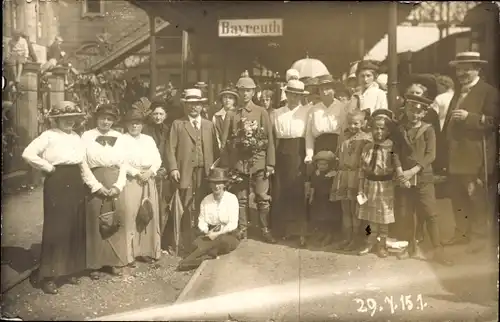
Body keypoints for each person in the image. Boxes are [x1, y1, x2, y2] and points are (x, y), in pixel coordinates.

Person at [22, 101, 87, 294]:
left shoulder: (76, 136)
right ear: (56, 120)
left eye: (72, 118)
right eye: (64, 119)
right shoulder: (48, 135)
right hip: (57, 180)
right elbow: (28, 154)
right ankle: (48, 276)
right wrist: (48, 167)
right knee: (56, 226)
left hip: (75, 179)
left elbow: (82, 162)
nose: (69, 122)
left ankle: (69, 271)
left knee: (75, 224)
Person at [442, 52, 498, 250]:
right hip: (456, 156)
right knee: (458, 197)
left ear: (478, 69)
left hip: (475, 157)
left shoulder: (488, 91)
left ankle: (481, 239)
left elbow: (494, 122)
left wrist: (470, 117)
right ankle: (462, 233)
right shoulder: (458, 91)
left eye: (467, 68)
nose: (462, 72)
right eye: (459, 68)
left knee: (476, 198)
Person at [393, 94, 453, 265]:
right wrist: (400, 171)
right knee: (408, 213)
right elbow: (395, 152)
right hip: (405, 177)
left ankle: (438, 251)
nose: (414, 115)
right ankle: (412, 246)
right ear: (406, 110)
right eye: (411, 110)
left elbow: (430, 155)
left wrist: (413, 170)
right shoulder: (401, 129)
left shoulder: (428, 129)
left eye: (418, 112)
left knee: (430, 213)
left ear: (423, 114)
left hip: (423, 177)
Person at [220, 74, 276, 243]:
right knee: (241, 197)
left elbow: (270, 139)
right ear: (238, 92)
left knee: (262, 196)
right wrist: (228, 164)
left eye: (248, 91)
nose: (245, 94)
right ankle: (242, 228)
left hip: (259, 160)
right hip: (239, 162)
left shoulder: (261, 112)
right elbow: (224, 142)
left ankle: (265, 228)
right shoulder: (231, 114)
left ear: (253, 92)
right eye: (242, 90)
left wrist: (270, 163)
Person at [81, 104, 132, 279]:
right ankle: (94, 264)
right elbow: (83, 164)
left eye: (109, 119)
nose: (106, 121)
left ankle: (114, 262)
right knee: (95, 220)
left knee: (115, 220)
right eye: (103, 118)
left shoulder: (119, 137)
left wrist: (118, 185)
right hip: (95, 180)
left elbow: (124, 164)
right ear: (97, 118)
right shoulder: (87, 136)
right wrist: (95, 186)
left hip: (114, 180)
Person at [166, 88, 219, 252]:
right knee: (187, 204)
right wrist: (173, 168)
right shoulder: (178, 124)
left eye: (197, 104)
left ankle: (203, 237)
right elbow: (170, 148)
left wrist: (215, 165)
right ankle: (186, 239)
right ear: (185, 106)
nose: (193, 108)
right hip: (185, 170)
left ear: (202, 106)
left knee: (204, 201)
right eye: (190, 104)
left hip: (205, 171)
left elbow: (216, 150)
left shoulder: (209, 124)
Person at [270, 79, 311, 247]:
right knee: (281, 191)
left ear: (301, 96)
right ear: (286, 94)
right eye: (291, 94)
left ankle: (300, 231)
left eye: (297, 95)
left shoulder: (307, 112)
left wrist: (308, 155)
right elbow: (273, 137)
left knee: (298, 190)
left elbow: (308, 135)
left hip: (299, 151)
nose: (293, 98)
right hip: (282, 151)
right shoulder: (277, 113)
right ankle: (283, 230)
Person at [357, 109, 401, 258]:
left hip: (385, 185)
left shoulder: (391, 147)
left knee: (383, 218)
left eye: (383, 128)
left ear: (388, 130)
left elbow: (396, 166)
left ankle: (382, 244)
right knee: (370, 217)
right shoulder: (367, 146)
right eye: (376, 128)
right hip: (369, 184)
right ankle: (370, 242)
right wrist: (361, 188)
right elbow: (362, 168)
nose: (379, 131)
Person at [176, 168, 240, 271]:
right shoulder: (206, 201)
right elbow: (202, 221)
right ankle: (207, 256)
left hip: (228, 234)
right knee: (195, 242)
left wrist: (218, 233)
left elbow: (233, 224)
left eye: (219, 183)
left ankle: (188, 261)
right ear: (210, 185)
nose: (216, 186)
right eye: (213, 183)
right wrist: (206, 231)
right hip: (210, 233)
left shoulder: (231, 199)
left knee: (221, 240)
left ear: (224, 184)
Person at [120, 109, 162, 264]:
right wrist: (136, 173)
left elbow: (157, 159)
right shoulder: (122, 139)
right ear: (126, 125)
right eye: (131, 123)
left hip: (148, 179)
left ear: (142, 125)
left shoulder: (148, 139)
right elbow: (121, 161)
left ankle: (146, 250)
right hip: (131, 180)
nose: (134, 126)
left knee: (148, 213)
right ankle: (130, 253)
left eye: (137, 123)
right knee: (131, 214)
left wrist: (151, 171)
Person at [330, 109, 372, 251]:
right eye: (350, 123)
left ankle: (356, 239)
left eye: (356, 123)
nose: (352, 126)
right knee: (345, 209)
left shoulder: (366, 138)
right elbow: (338, 154)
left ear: (363, 123)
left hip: (356, 177)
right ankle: (346, 238)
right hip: (343, 176)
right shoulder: (343, 136)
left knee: (356, 210)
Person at [142, 99, 171, 237]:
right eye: (155, 114)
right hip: (149, 172)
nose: (158, 117)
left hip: (164, 174)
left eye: (161, 114)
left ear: (165, 115)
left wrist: (166, 168)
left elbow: (171, 151)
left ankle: (161, 238)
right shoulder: (145, 130)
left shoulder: (168, 130)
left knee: (163, 206)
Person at [305, 74, 348, 160]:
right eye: (321, 89)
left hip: (336, 146)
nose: (324, 92)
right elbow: (309, 135)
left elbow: (345, 131)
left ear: (334, 90)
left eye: (327, 89)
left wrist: (341, 152)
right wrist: (309, 154)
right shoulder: (313, 110)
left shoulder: (342, 108)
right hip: (319, 147)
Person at [307, 150, 337, 247]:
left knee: (329, 217)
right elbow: (313, 186)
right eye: (320, 164)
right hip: (318, 198)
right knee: (320, 216)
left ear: (329, 165)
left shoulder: (332, 174)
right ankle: (322, 232)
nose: (322, 166)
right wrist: (311, 196)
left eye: (325, 164)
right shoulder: (315, 174)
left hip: (329, 200)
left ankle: (329, 235)